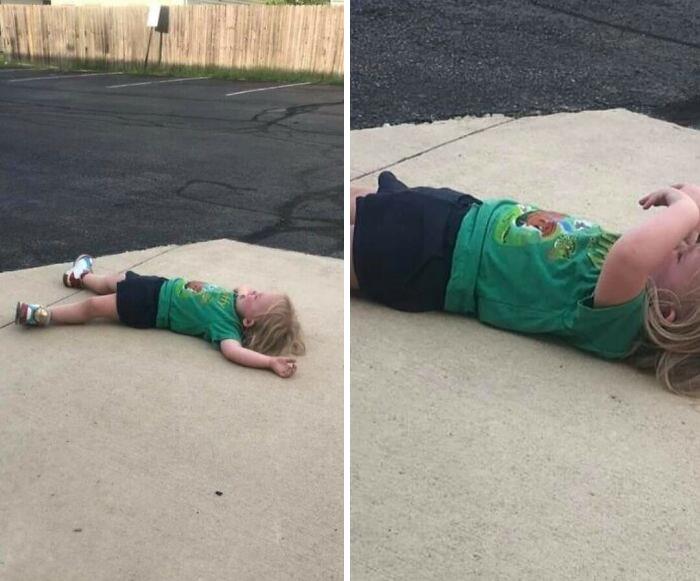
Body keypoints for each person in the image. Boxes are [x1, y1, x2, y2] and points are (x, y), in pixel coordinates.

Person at [351, 171, 700, 395]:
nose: (679, 241)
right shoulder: (645, 283)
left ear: (666, 313)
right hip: (462, 215)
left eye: (683, 255)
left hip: (433, 260)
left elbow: (632, 255)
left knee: (348, 251)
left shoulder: (622, 318)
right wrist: (692, 205)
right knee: (361, 201)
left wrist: (685, 210)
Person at [15, 255, 304, 379]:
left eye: (257, 299)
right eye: (259, 293)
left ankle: (43, 315)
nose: (253, 293)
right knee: (113, 280)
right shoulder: (235, 299)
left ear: (248, 322)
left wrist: (269, 362)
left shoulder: (225, 326)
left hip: (149, 307)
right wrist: (248, 294)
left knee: (94, 307)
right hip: (157, 286)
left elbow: (233, 352)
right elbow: (244, 287)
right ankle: (81, 277)